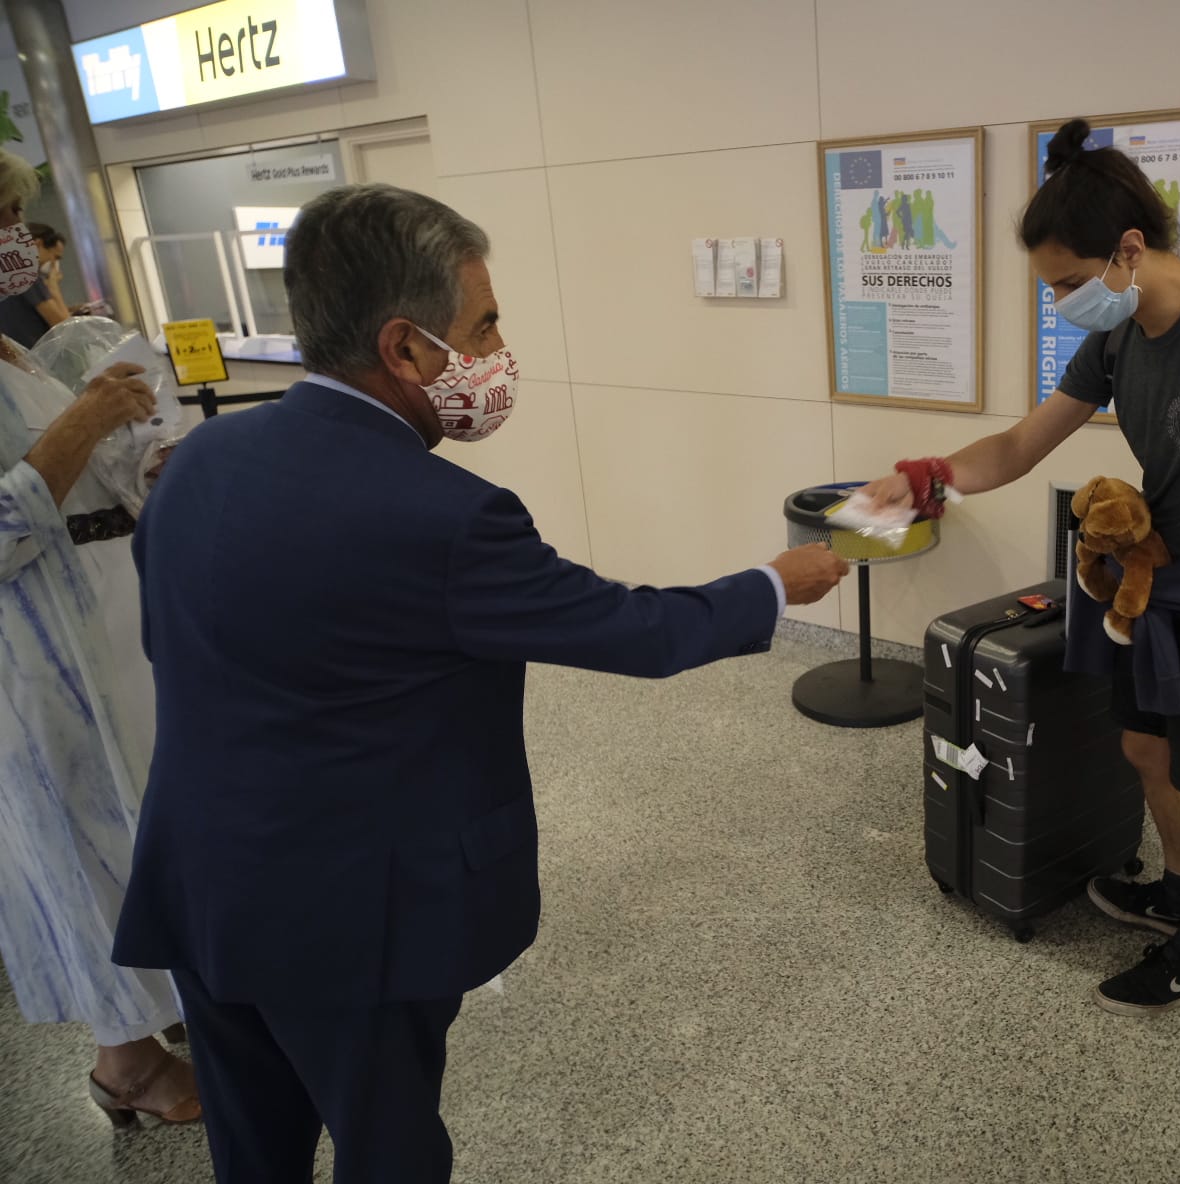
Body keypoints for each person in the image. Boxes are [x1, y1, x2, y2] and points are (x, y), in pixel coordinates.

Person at [111, 182, 849, 1183]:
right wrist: (776, 582)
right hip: (348, 913)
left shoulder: (200, 462)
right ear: (406, 347)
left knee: (254, 1148)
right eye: (486, 324)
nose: (500, 352)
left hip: (200, 882)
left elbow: (174, 644)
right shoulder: (445, 515)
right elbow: (636, 630)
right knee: (390, 1145)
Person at [863, 119, 1180, 1016]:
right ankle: (1174, 895)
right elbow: (1021, 443)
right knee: (1145, 749)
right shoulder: (1119, 334)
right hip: (1160, 583)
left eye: (1066, 281)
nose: (1061, 301)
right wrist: (929, 478)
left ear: (1129, 249)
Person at [0, 151, 201, 1126]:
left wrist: (141, 456)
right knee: (81, 855)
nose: (14, 240)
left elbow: (80, 485)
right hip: (32, 674)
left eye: (13, 216)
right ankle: (124, 1058)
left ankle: (184, 1007)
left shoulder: (20, 352)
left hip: (115, 632)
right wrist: (82, 420)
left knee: (146, 831)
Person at [0, 222, 71, 348]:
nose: (54, 264)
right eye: (55, 257)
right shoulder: (29, 277)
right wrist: (53, 286)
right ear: (37, 244)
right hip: (35, 358)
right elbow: (65, 327)